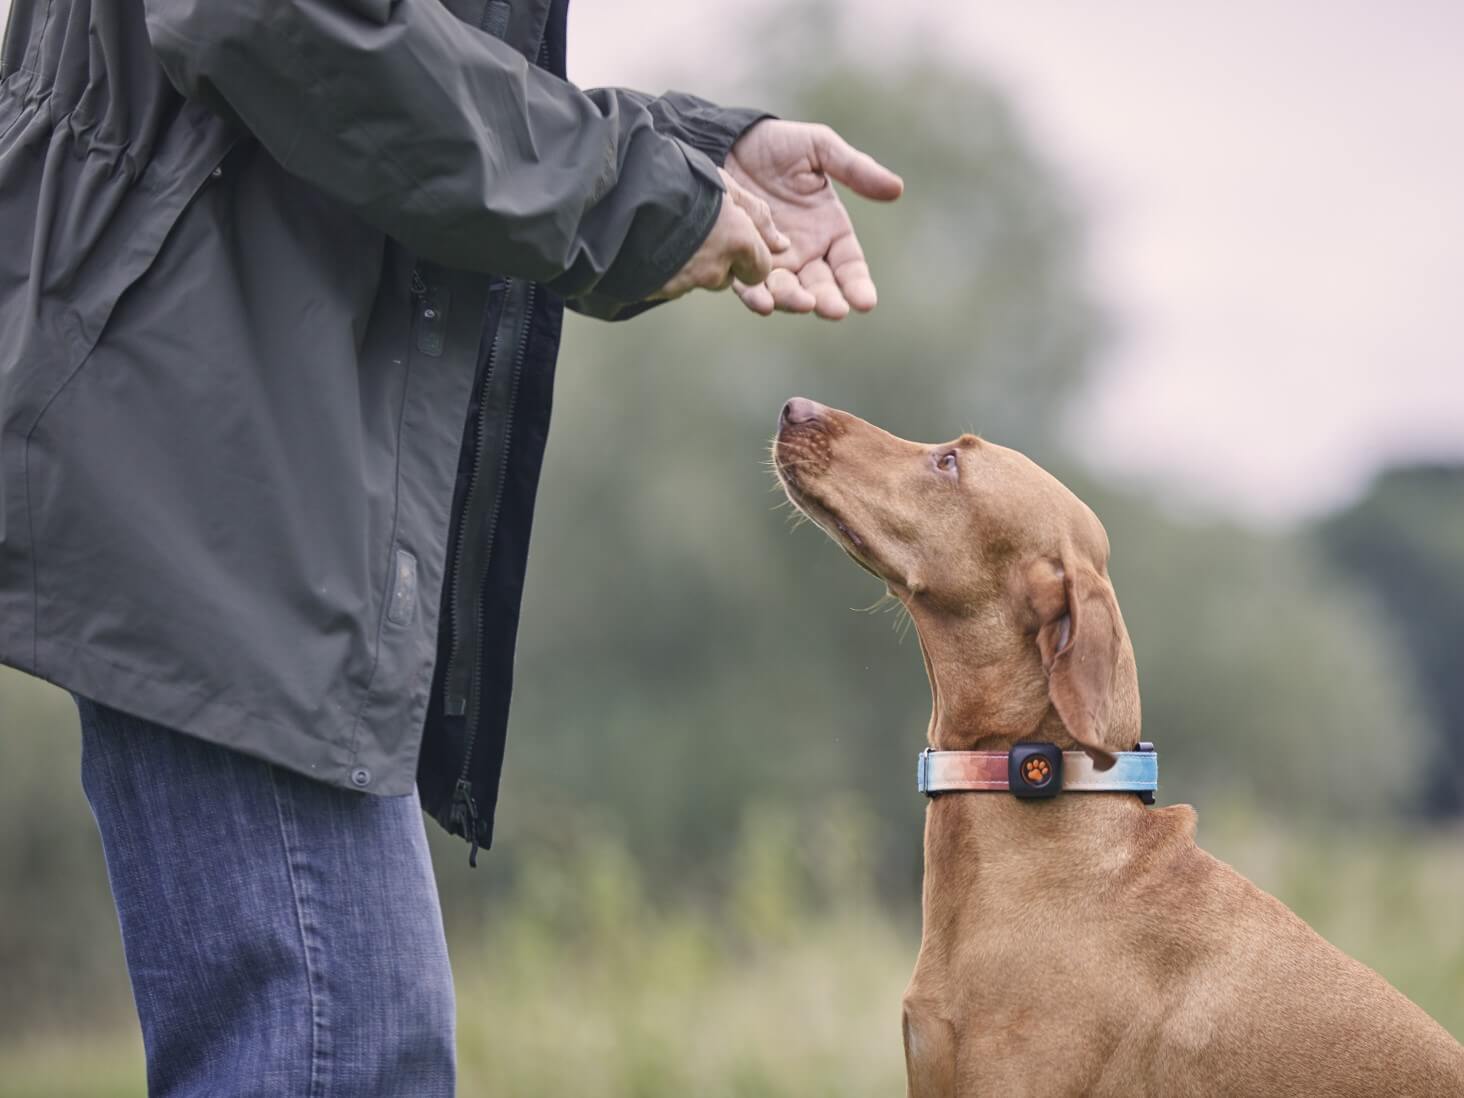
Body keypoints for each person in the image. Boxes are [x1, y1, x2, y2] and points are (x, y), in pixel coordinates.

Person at [0, 0, 901, 1092]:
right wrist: (632, 194)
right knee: (338, 1054)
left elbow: (394, 43)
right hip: (225, 447)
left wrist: (683, 154)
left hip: (232, 427)